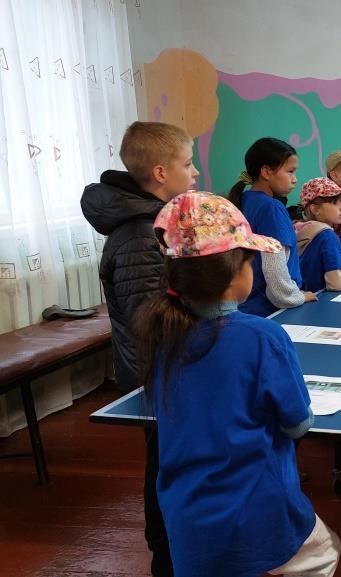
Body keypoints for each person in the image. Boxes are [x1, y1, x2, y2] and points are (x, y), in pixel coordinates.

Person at [135, 192, 340, 577]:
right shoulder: (263, 336)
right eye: (250, 262)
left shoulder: (162, 333)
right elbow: (298, 423)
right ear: (234, 275)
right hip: (257, 505)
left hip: (185, 515)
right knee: (324, 553)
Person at [81, 120, 197, 577]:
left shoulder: (155, 224)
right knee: (164, 465)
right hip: (157, 373)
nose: (194, 173)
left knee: (172, 460)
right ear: (161, 173)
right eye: (187, 164)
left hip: (169, 368)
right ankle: (165, 554)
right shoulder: (138, 235)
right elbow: (149, 319)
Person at [228, 137, 316, 316]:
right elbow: (274, 270)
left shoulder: (244, 200)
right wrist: (296, 297)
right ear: (267, 172)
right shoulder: (272, 208)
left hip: (246, 307)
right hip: (270, 310)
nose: (295, 179)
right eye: (290, 171)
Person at [295, 177, 341, 292]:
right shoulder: (327, 237)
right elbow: (336, 284)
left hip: (303, 297)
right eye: (335, 202)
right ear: (315, 209)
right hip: (319, 299)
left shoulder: (300, 230)